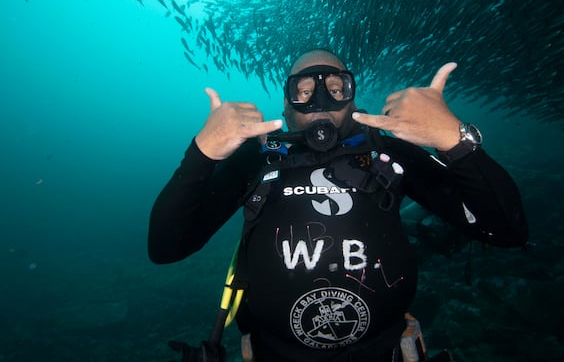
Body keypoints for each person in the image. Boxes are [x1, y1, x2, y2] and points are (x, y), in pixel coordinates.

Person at [148, 49, 528, 361]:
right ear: (286, 103)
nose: (320, 101)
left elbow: (506, 230)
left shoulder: (387, 152)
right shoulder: (258, 158)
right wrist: (202, 153)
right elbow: (166, 247)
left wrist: (454, 140)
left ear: (352, 98)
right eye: (303, 90)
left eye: (336, 87)